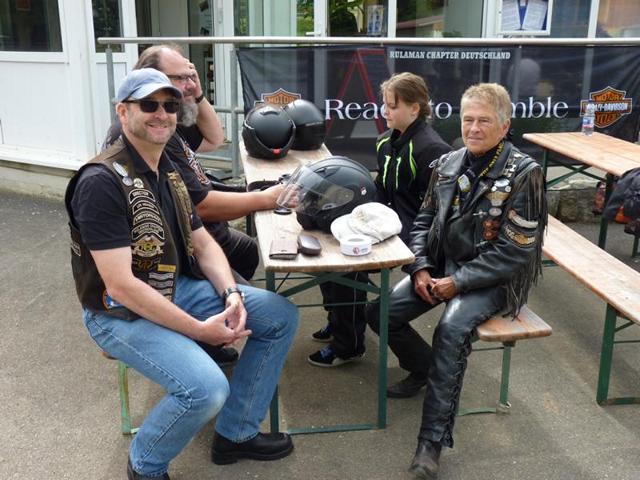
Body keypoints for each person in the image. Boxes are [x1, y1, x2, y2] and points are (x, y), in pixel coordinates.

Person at [66, 68, 298, 480]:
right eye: (149, 104)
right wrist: (199, 330)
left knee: (279, 314)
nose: (162, 113)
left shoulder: (167, 171)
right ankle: (146, 466)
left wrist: (230, 293)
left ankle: (236, 433)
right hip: (116, 312)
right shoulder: (101, 181)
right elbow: (121, 286)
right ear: (123, 112)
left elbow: (203, 243)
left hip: (173, 288)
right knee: (205, 389)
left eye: (170, 105)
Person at [366, 83, 547, 478]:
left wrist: (458, 282)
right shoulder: (448, 163)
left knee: (449, 331)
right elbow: (423, 222)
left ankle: (430, 444)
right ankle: (426, 369)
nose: (474, 128)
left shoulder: (525, 173)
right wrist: (420, 267)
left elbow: (514, 253)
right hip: (441, 269)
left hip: (494, 280)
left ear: (505, 126)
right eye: (468, 120)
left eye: (484, 121)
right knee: (380, 312)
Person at [105, 44, 286, 366]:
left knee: (246, 250)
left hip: (197, 234)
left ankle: (208, 338)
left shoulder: (165, 121)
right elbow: (201, 206)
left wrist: (195, 93)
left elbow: (215, 139)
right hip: (173, 256)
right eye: (179, 78)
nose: (188, 84)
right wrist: (269, 198)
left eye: (192, 76)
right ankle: (200, 340)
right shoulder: (144, 134)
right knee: (270, 317)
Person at [308, 73, 451, 367]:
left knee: (346, 264)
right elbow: (380, 190)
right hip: (384, 221)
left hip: (412, 232)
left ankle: (348, 345)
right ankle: (340, 320)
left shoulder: (433, 149)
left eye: (392, 106)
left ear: (415, 108)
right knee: (328, 243)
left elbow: (438, 211)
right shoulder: (385, 141)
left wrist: (417, 254)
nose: (385, 111)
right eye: (384, 104)